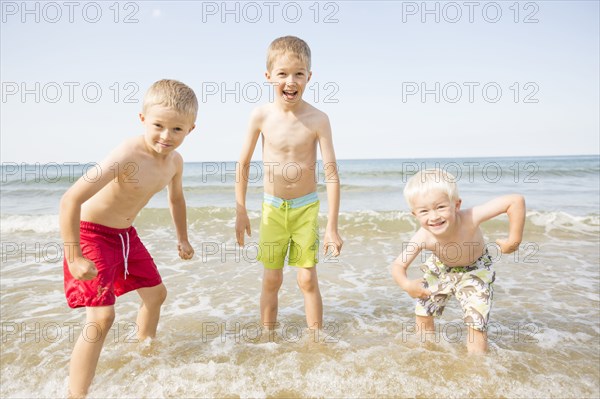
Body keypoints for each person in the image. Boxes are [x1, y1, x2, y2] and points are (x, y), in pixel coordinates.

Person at [60, 79, 197, 397]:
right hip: (90, 234)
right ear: (142, 120)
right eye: (158, 125)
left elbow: (176, 199)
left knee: (156, 295)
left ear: (191, 129)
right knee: (102, 316)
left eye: (177, 129)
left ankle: (143, 356)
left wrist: (183, 238)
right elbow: (70, 199)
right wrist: (74, 255)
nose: (166, 136)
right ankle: (75, 395)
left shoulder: (175, 163)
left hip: (124, 236)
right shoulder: (126, 154)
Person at [235, 36, 343, 332]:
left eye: (298, 73)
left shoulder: (318, 119)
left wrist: (332, 226)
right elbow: (242, 164)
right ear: (268, 76)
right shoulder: (261, 116)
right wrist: (241, 209)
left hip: (305, 208)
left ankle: (315, 338)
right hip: (272, 209)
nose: (290, 81)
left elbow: (331, 173)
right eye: (282, 74)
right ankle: (268, 337)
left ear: (309, 76)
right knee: (272, 278)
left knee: (307, 278)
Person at [391, 168, 525, 353]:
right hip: (440, 269)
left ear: (456, 205)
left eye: (440, 207)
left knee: (476, 323)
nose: (434, 216)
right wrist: (406, 285)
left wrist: (513, 241)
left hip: (475, 270)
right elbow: (398, 265)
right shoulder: (422, 237)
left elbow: (515, 201)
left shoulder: (470, 218)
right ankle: (425, 351)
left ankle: (477, 365)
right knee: (423, 312)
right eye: (424, 211)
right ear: (415, 214)